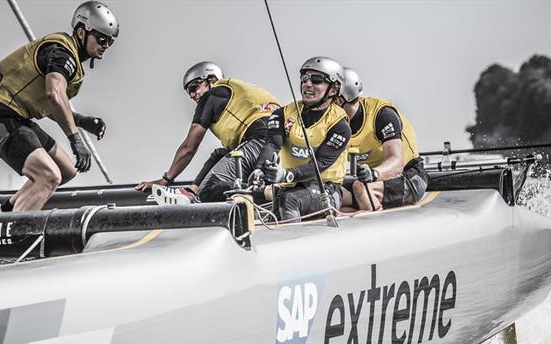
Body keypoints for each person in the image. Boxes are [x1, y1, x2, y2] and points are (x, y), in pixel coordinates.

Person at [0, 1, 118, 212]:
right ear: (81, 32)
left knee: (65, 170)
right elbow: (54, 95)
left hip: (18, 118)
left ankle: (4, 211)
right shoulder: (63, 54)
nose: (105, 45)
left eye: (110, 42)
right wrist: (75, 139)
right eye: (102, 38)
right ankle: (14, 233)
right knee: (49, 176)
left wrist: (81, 120)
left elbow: (48, 103)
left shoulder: (70, 59)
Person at [135, 62, 281, 202]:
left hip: (260, 142)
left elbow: (189, 147)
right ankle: (193, 190)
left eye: (193, 88)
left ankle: (272, 193)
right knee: (219, 155)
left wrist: (165, 180)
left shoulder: (211, 95)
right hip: (278, 147)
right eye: (188, 92)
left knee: (209, 190)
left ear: (211, 80)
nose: (192, 95)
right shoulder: (233, 94)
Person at [254, 56, 350, 221]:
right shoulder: (282, 114)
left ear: (333, 90)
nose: (307, 84)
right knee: (260, 200)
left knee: (289, 201)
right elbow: (272, 145)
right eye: (304, 79)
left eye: (316, 80)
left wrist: (285, 175)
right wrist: (259, 170)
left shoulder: (340, 125)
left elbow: (320, 164)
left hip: (326, 190)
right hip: (287, 186)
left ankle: (295, 243)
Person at [336, 67, 428, 211]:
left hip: (410, 176)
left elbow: (396, 163)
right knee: (331, 196)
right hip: (372, 182)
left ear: (340, 99)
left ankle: (374, 224)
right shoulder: (332, 122)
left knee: (360, 188)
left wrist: (373, 174)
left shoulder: (382, 115)